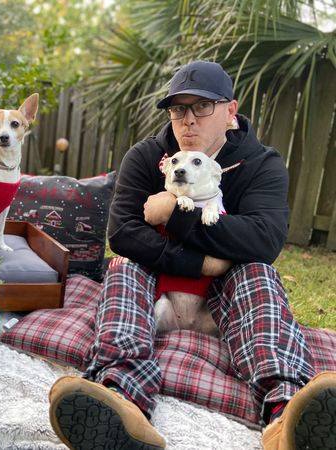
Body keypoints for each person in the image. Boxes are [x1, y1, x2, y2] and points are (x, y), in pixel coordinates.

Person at [48, 60, 336, 450]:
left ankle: (288, 415)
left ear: (230, 111)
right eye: (178, 109)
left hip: (225, 297)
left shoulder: (261, 164)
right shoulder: (146, 156)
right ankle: (120, 400)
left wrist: (175, 214)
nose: (187, 120)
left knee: (258, 273)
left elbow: (263, 241)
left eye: (202, 107)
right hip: (159, 291)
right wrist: (201, 262)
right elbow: (124, 234)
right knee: (124, 266)